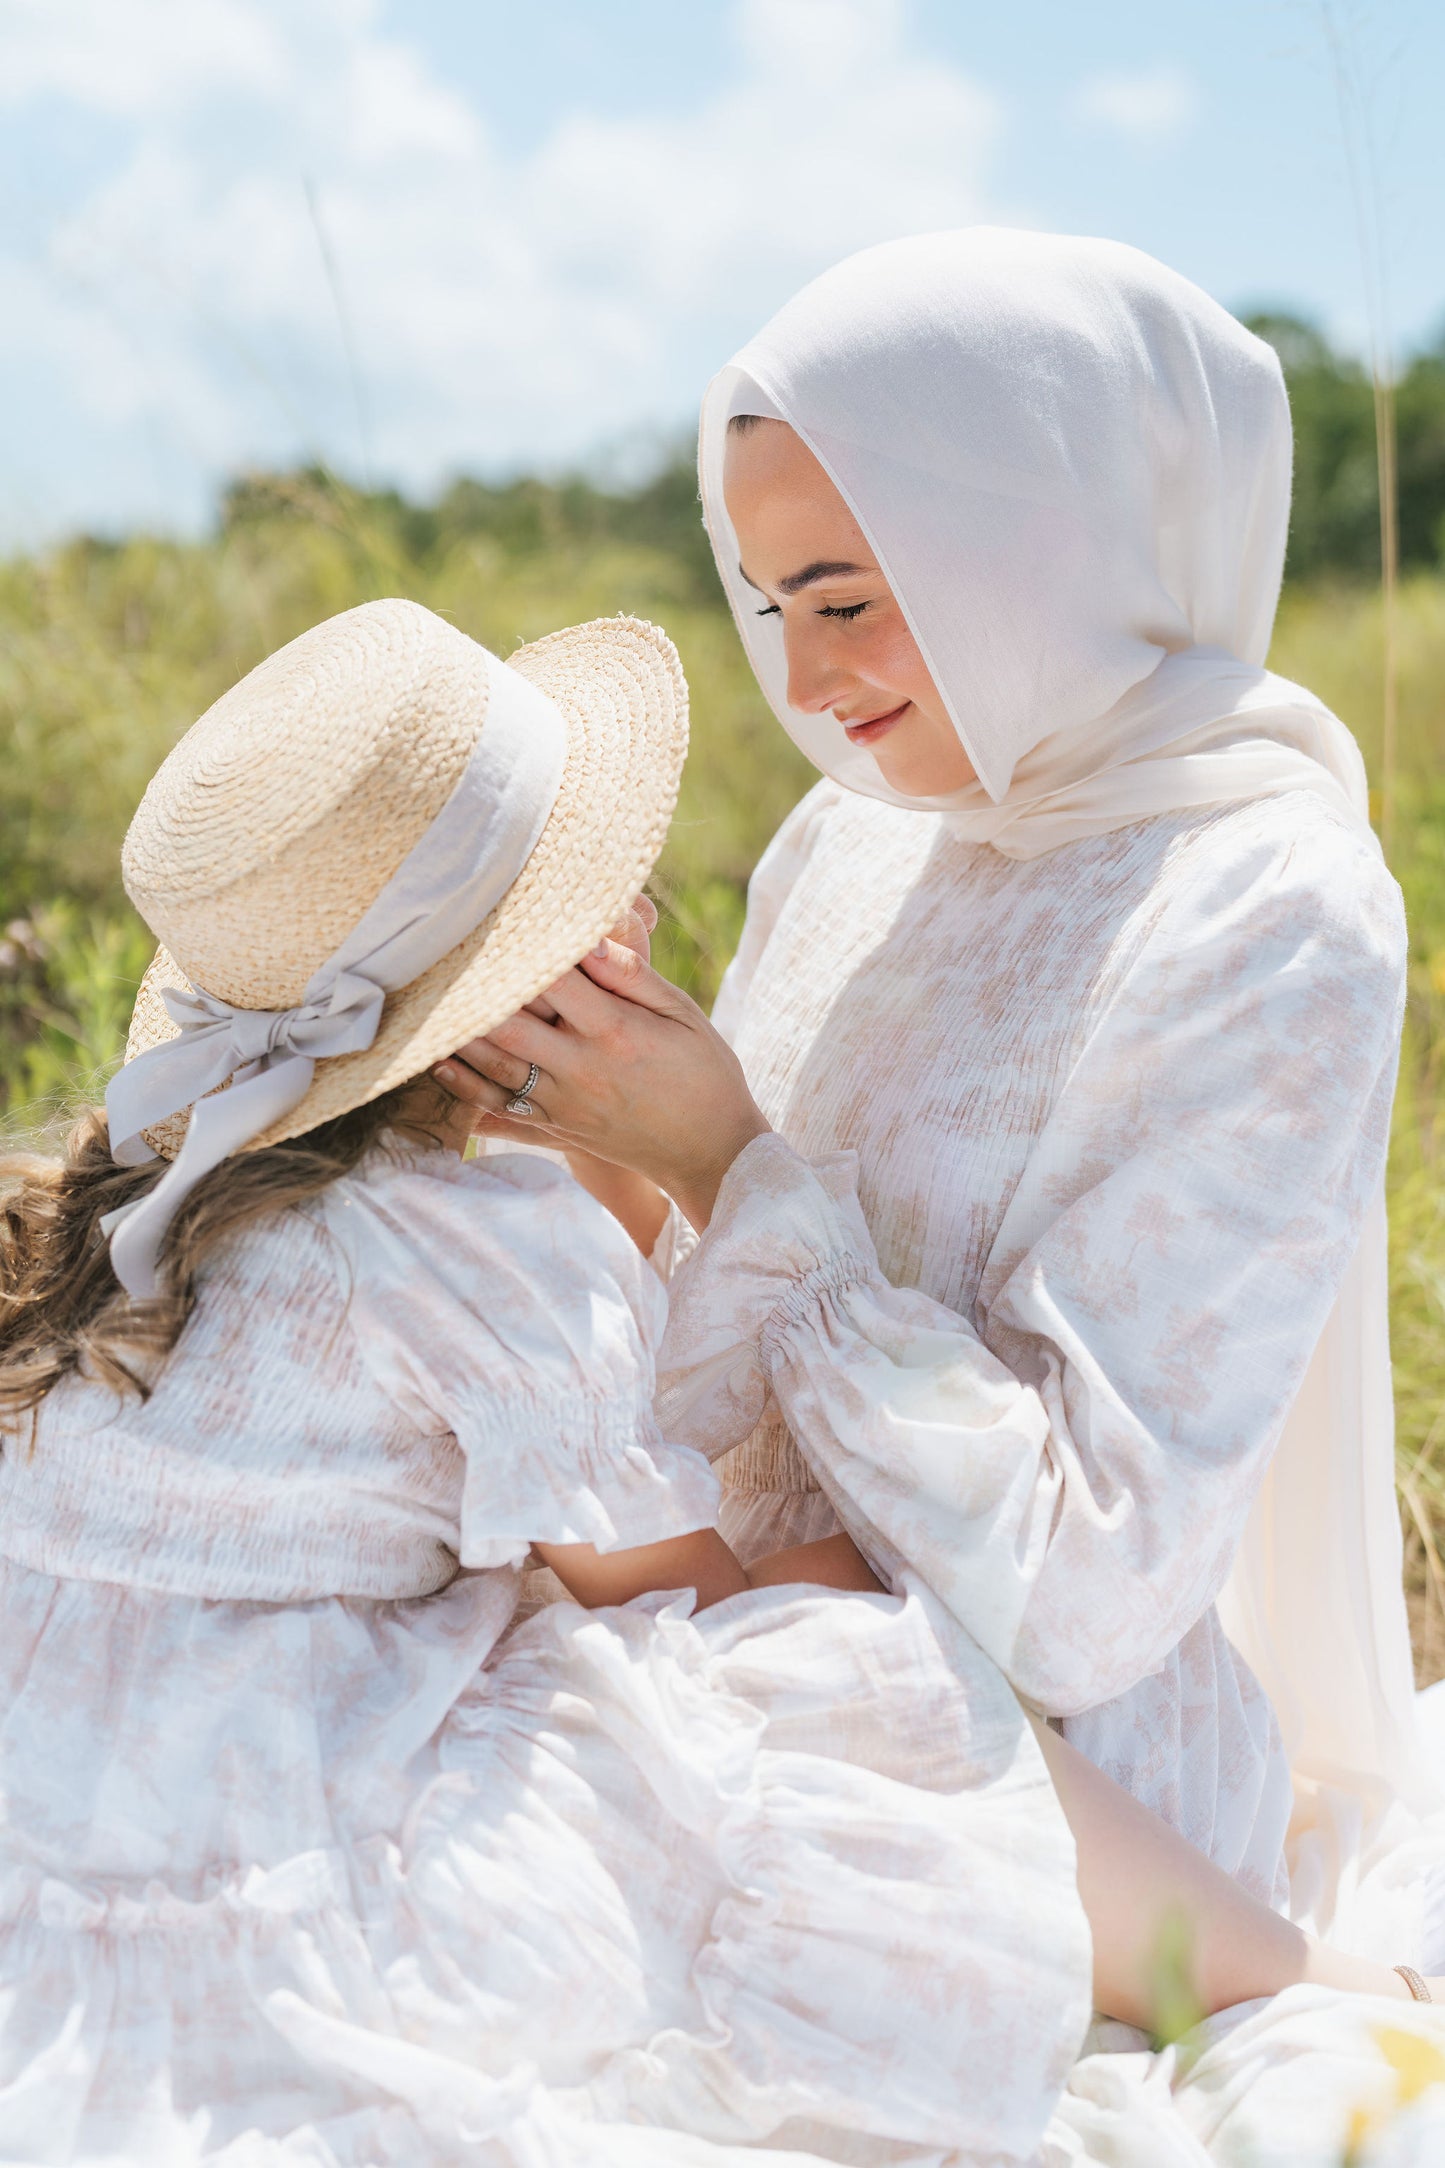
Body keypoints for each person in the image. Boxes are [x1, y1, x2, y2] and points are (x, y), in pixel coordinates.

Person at [435, 231, 1433, 1954]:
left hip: (1033, 1781)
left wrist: (726, 1160)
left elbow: (1085, 1591)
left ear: (1051, 537)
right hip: (700, 1618)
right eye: (770, 608)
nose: (811, 689)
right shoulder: (851, 838)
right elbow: (706, 1316)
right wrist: (584, 1130)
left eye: (845, 599)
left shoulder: (1269, 903)